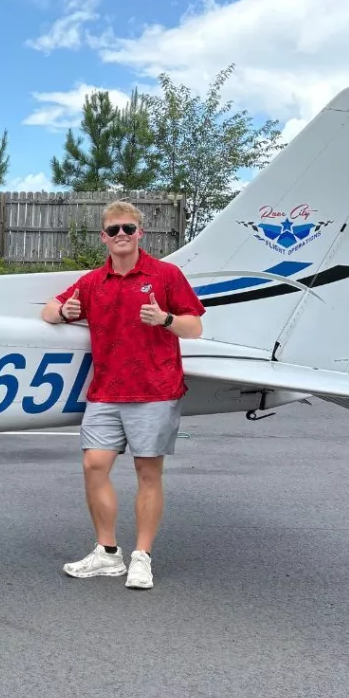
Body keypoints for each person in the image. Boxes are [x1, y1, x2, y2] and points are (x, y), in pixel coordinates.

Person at [41, 201, 205, 590]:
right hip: (105, 392)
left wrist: (165, 319)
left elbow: (194, 327)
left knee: (147, 473)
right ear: (104, 237)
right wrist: (64, 312)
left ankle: (142, 557)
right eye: (113, 230)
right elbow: (49, 310)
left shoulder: (166, 275)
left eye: (128, 229)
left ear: (139, 233)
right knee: (94, 465)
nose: (121, 235)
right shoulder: (92, 282)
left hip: (155, 390)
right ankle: (107, 553)